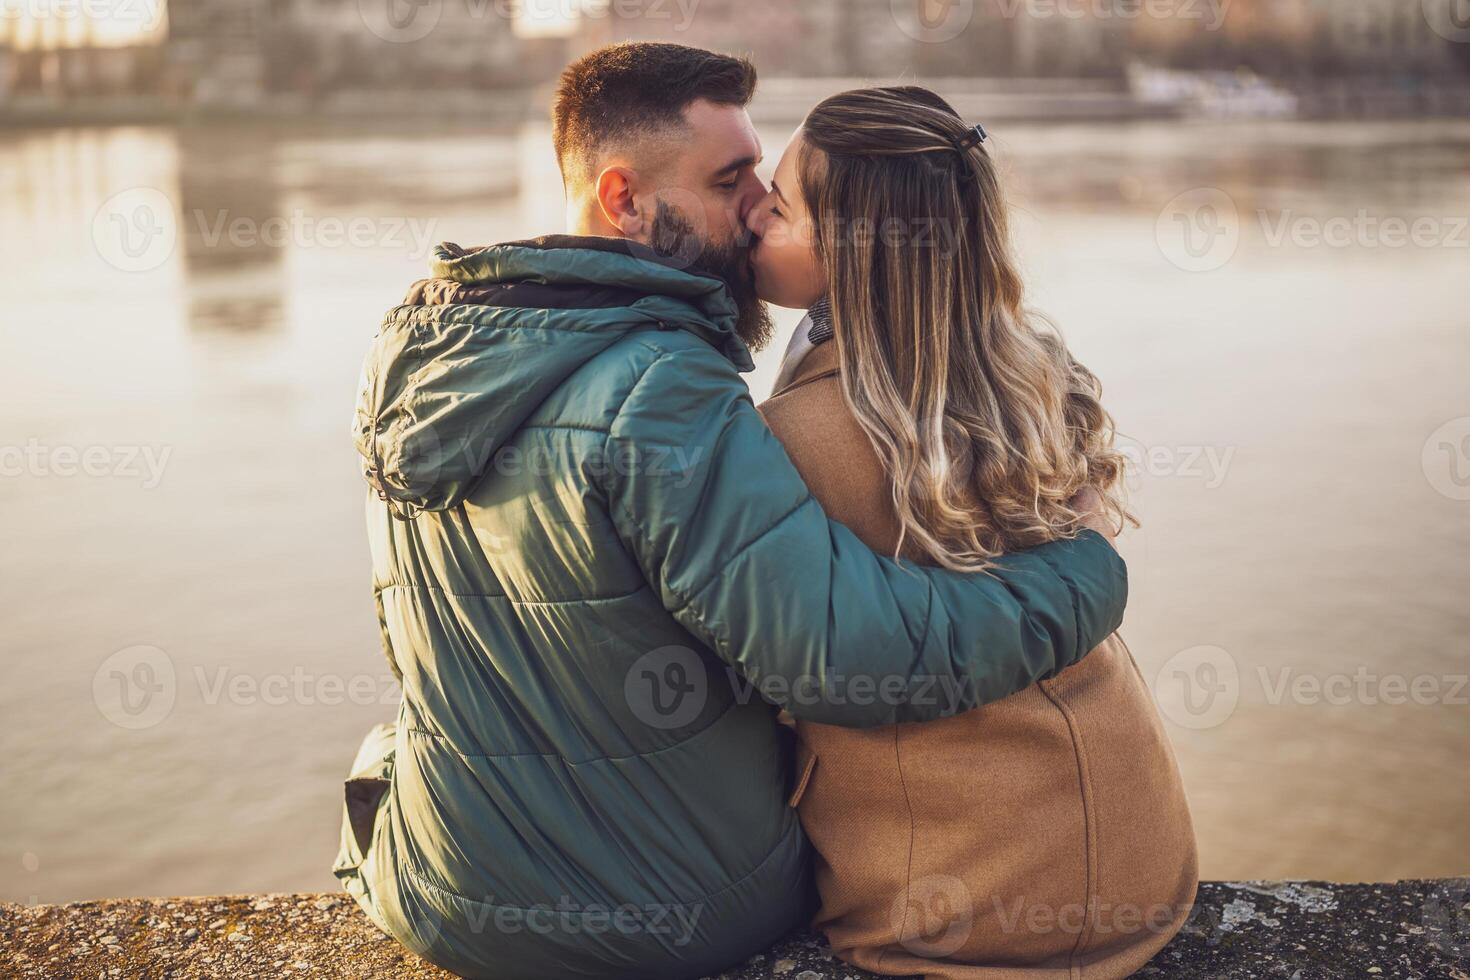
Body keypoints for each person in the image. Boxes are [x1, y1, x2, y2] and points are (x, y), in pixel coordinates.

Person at [333, 44, 1128, 980]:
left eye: (764, 179)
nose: (757, 209)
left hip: (435, 888)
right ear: (625, 198)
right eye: (732, 180)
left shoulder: (425, 359)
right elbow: (844, 653)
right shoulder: (662, 386)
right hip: (660, 919)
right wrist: (1081, 569)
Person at [748, 85, 1198, 979]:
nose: (755, 214)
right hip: (1145, 866)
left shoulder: (791, 439)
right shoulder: (1036, 376)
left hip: (961, 904)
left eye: (781, 204)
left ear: (853, 248)